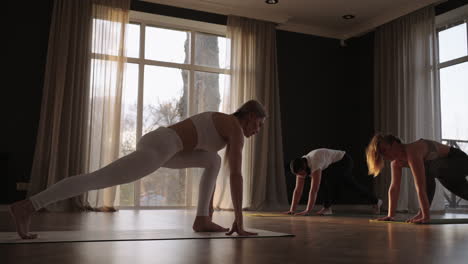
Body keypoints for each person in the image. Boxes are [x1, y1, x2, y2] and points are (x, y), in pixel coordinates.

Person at [9, 100, 266, 239]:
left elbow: (213, 162)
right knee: (96, 180)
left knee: (213, 161)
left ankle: (202, 219)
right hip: (163, 146)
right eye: (259, 124)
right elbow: (236, 175)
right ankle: (28, 205)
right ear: (251, 115)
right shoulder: (233, 127)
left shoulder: (224, 124)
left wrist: (210, 205)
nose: (257, 130)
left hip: (167, 146)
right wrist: (239, 222)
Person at [366, 133, 468, 224]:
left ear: (395, 144)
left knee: (430, 169)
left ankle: (424, 213)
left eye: (385, 150)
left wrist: (426, 217)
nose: (386, 156)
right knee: (463, 191)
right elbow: (394, 187)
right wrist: (390, 215)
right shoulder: (396, 163)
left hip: (459, 161)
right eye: (382, 154)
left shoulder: (412, 152)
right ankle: (422, 212)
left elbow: (420, 186)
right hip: (444, 172)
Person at [283, 148, 382, 216]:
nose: (300, 177)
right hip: (331, 165)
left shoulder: (315, 162)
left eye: (301, 174)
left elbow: (314, 190)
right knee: (349, 185)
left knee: (331, 181)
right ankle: (376, 201)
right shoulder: (300, 166)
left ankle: (327, 208)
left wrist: (307, 210)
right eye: (298, 175)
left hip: (344, 161)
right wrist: (292, 210)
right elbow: (297, 190)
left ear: (303, 168)